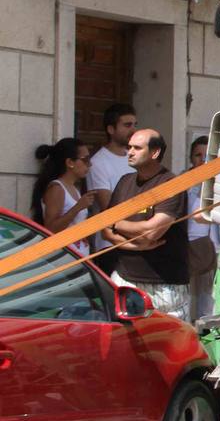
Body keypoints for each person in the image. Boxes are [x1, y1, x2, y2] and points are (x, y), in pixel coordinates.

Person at [102, 129, 190, 320]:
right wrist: (135, 245)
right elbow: (105, 231)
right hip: (124, 277)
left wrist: (117, 223)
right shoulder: (125, 182)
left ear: (155, 152)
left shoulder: (170, 184)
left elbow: (152, 233)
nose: (130, 152)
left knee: (166, 343)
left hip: (163, 284)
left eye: (137, 148)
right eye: (129, 147)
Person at [87, 103, 137, 271]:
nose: (133, 130)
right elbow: (108, 206)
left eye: (134, 125)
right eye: (127, 125)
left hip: (135, 239)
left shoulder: (133, 158)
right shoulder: (98, 162)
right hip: (110, 244)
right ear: (110, 129)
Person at [31, 139, 97, 256]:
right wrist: (78, 207)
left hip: (78, 255)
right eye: (85, 160)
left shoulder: (74, 189)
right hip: (62, 257)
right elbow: (50, 229)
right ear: (70, 162)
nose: (90, 164)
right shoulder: (57, 188)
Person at [186, 136, 220, 321]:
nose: (202, 160)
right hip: (191, 246)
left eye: (206, 155)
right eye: (197, 155)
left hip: (215, 247)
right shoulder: (183, 183)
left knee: (210, 294)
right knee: (190, 293)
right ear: (191, 158)